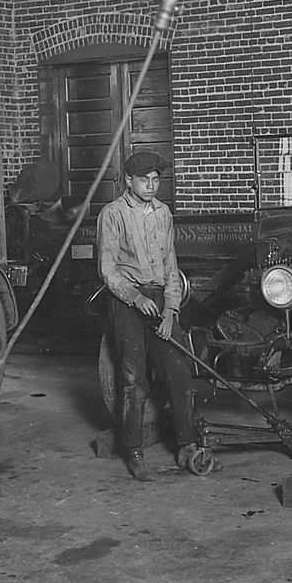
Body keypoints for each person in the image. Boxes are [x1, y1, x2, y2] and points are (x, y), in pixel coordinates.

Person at [95, 149, 196, 481]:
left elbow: (170, 267)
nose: (151, 186)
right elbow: (108, 271)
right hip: (126, 302)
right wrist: (135, 298)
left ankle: (186, 445)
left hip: (159, 301)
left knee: (180, 372)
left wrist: (171, 310)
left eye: (156, 180)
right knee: (133, 379)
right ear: (128, 180)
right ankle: (134, 451)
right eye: (144, 180)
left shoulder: (163, 213)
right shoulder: (112, 214)